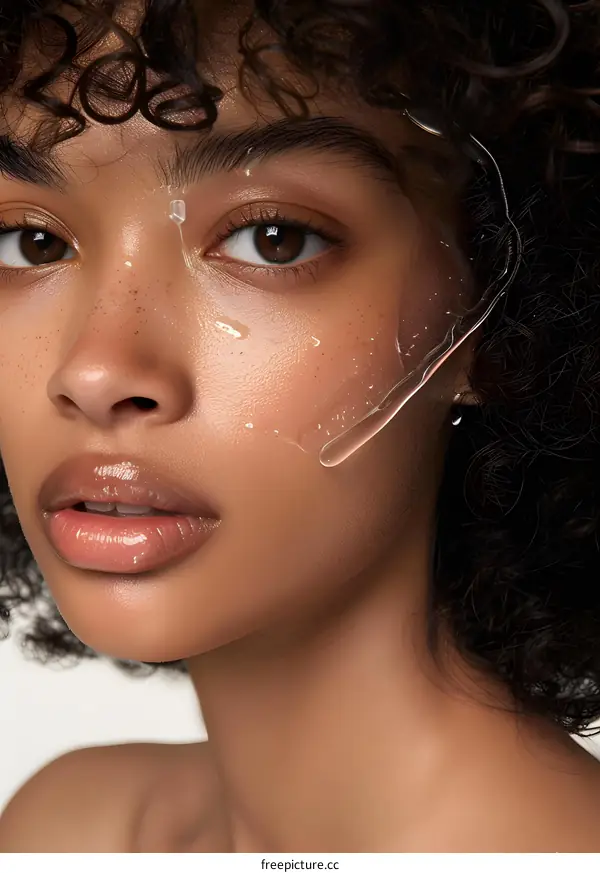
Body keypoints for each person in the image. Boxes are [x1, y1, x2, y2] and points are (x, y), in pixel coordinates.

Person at [0, 0, 599, 853]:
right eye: (30, 244)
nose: (93, 372)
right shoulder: (67, 831)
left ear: (494, 308)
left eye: (271, 240)